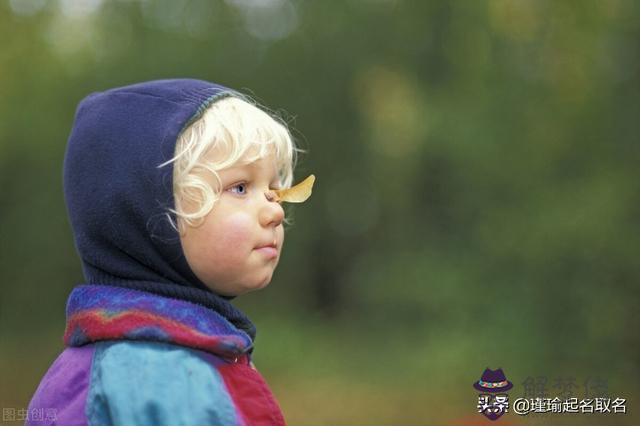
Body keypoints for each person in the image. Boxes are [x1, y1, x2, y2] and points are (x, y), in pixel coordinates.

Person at [26, 79, 312, 425]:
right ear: (148, 211)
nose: (276, 211)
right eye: (240, 188)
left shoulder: (158, 353)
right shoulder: (156, 376)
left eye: (273, 189)